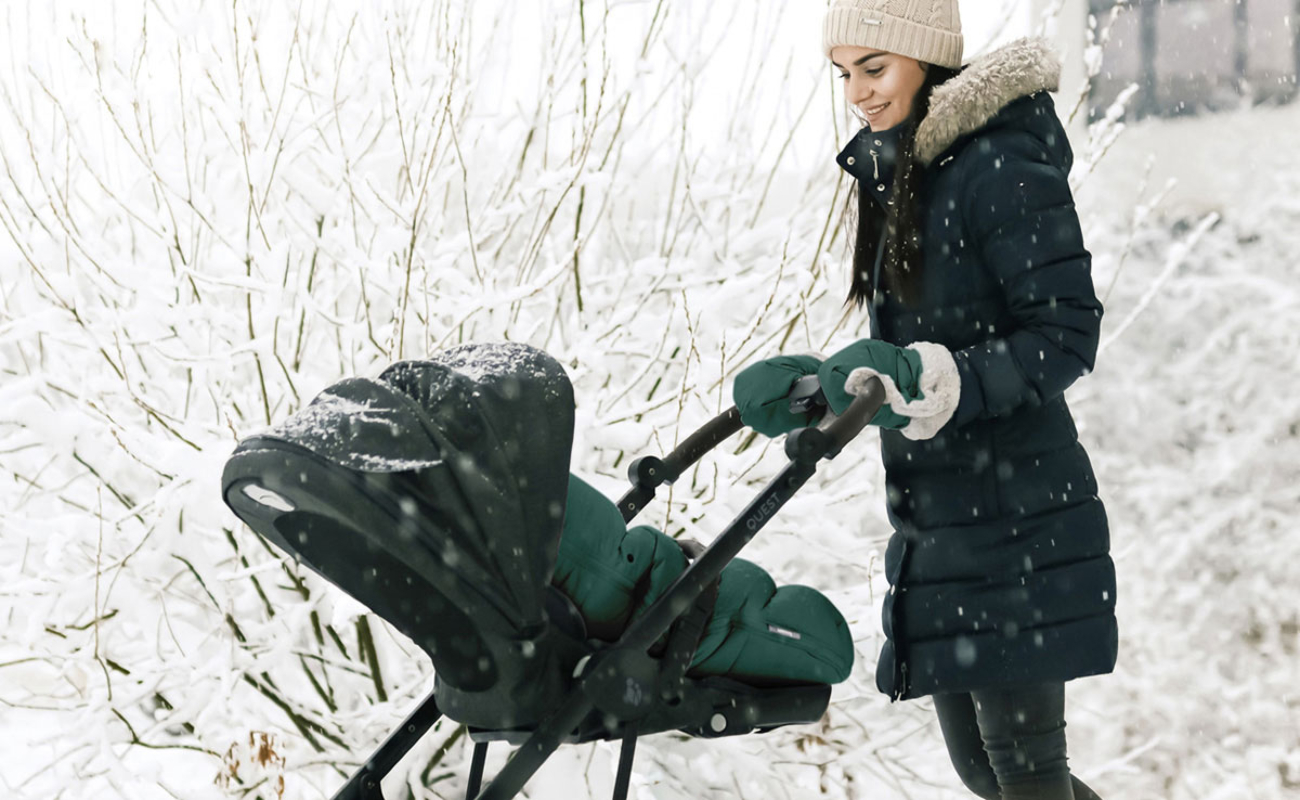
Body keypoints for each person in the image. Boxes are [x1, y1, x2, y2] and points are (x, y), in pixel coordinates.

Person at [731, 1, 1117, 798]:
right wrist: (821, 388)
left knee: (1026, 778)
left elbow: (1065, 333)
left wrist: (930, 377)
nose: (857, 94)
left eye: (875, 69)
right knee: (989, 772)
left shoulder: (999, 165)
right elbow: (916, 348)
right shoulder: (906, 172)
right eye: (845, 74)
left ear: (928, 60)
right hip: (943, 527)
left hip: (1017, 523)